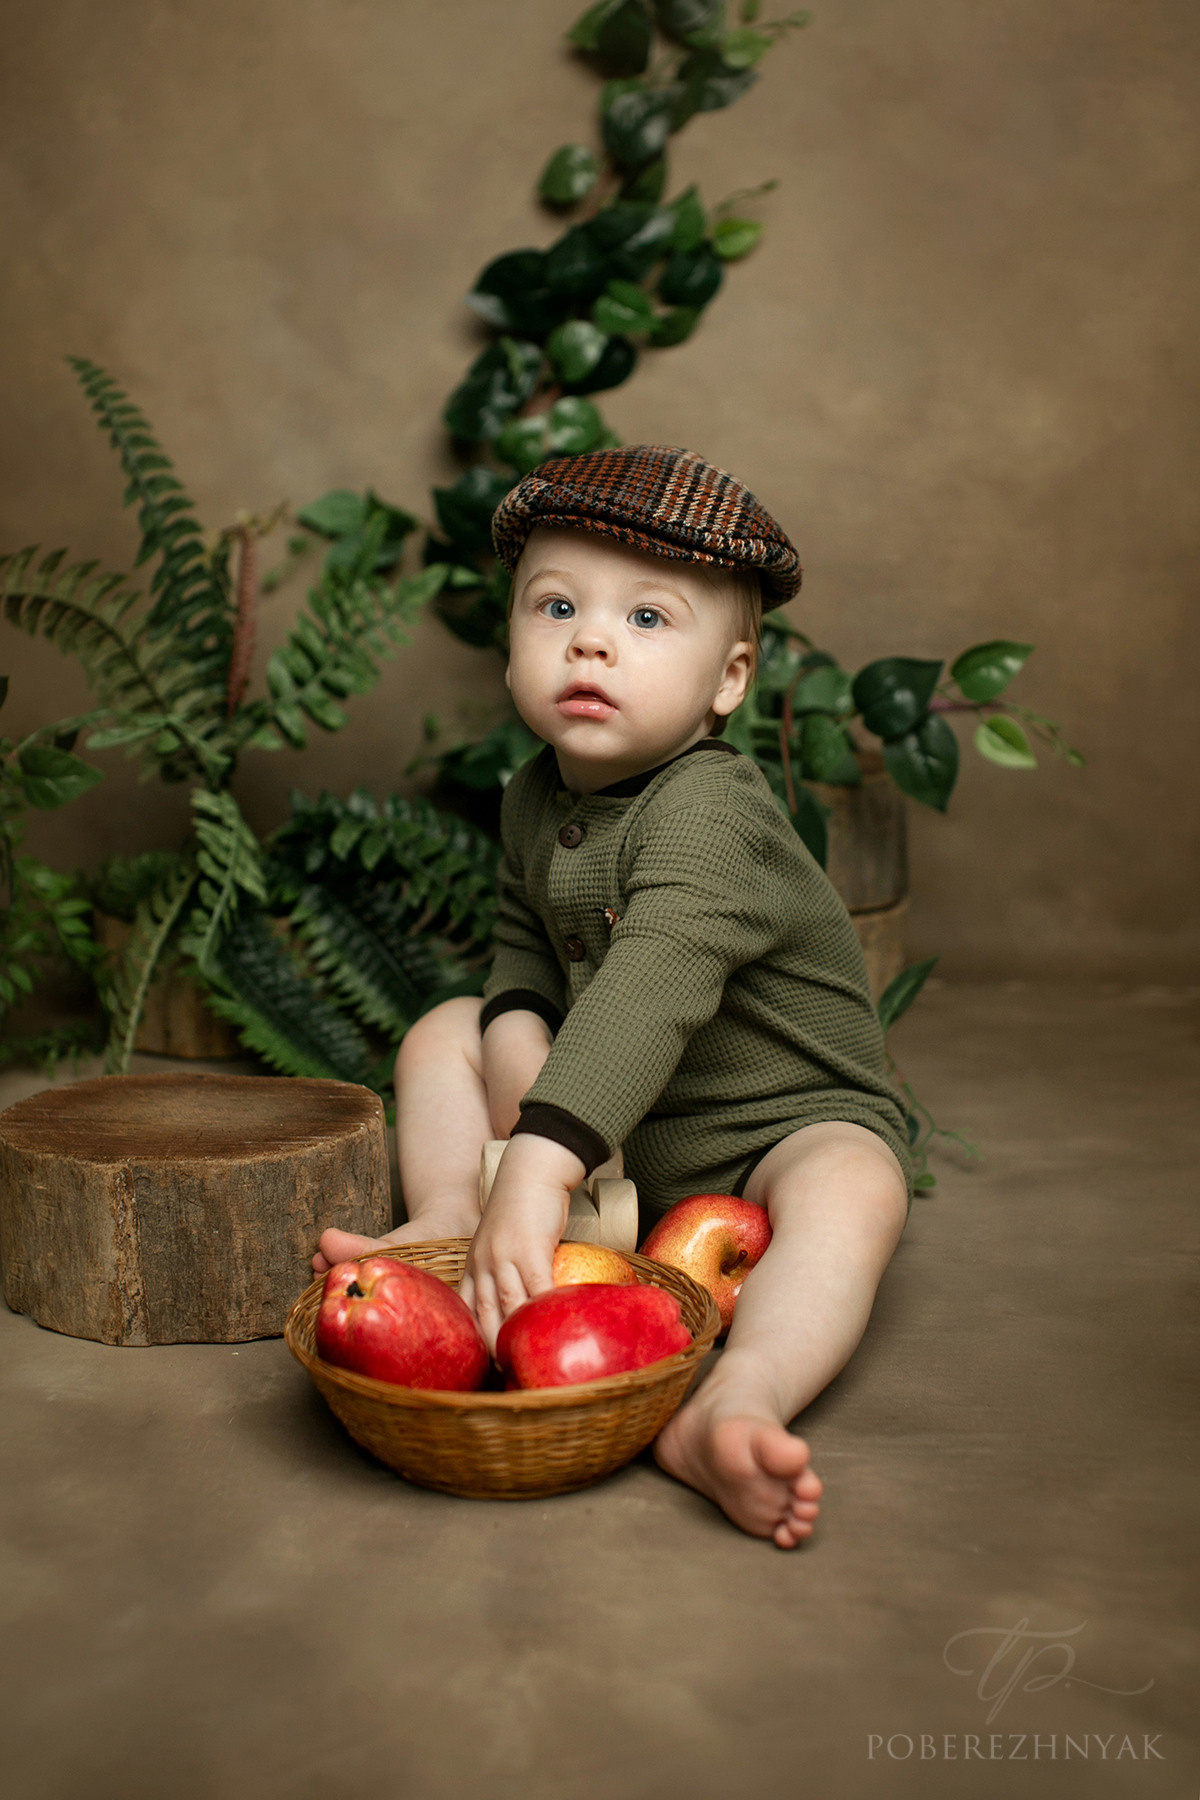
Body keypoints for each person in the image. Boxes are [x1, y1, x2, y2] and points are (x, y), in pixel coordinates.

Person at [315, 445, 910, 1549]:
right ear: (509, 648)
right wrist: (511, 1048)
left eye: (646, 618)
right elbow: (521, 950)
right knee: (446, 1028)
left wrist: (538, 1166)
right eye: (556, 607)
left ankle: (742, 1396)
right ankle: (450, 1213)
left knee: (855, 1180)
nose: (590, 640)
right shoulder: (533, 796)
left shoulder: (712, 813)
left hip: (761, 1129)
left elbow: (648, 989)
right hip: (605, 1134)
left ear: (729, 680)